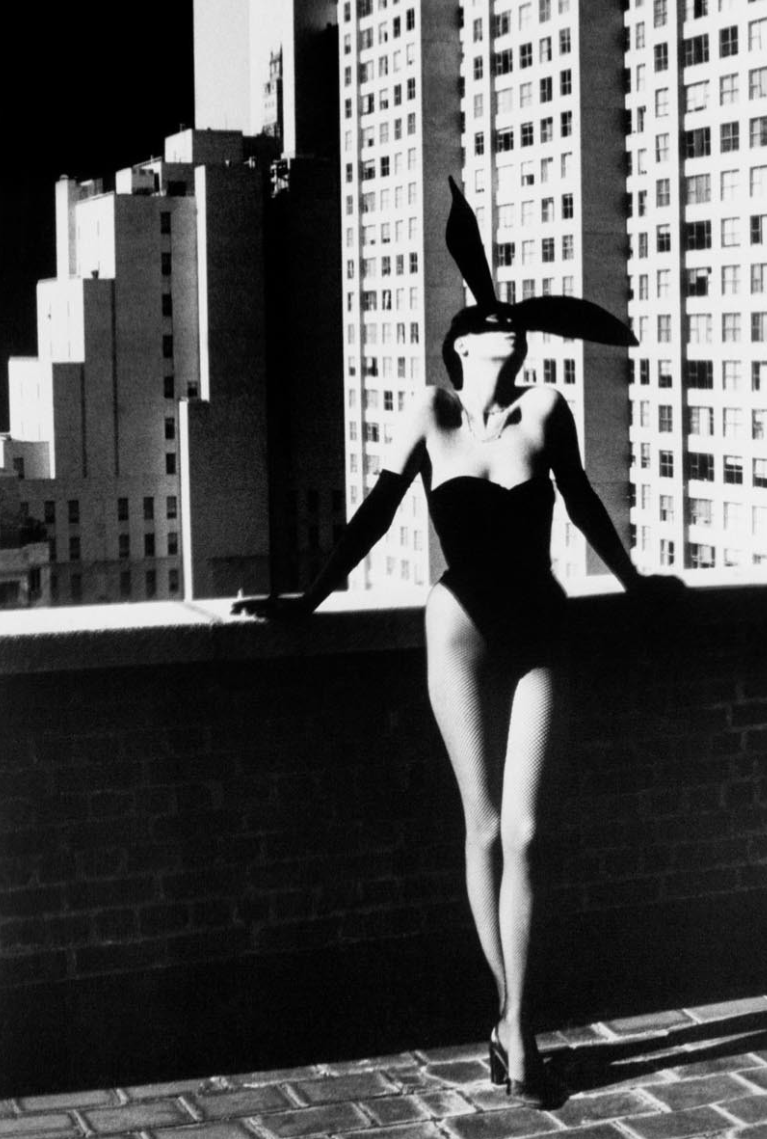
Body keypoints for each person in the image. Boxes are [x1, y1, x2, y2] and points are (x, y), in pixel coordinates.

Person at [234, 180, 659, 1107]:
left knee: (534, 832)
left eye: (512, 320)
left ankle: (518, 1024)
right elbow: (376, 514)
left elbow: (584, 506)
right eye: (485, 319)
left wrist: (635, 584)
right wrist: (304, 601)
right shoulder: (430, 412)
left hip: (542, 625)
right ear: (461, 344)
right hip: (459, 629)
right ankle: (509, 1013)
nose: (504, 323)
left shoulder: (545, 412)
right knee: (487, 827)